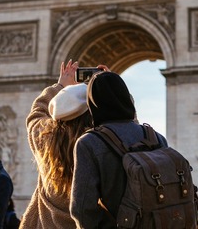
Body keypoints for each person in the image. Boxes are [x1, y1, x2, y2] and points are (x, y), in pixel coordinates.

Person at [70, 71, 168, 228]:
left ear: (92, 104)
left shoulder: (89, 143)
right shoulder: (156, 137)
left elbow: (82, 209)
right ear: (127, 98)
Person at [20, 60, 93, 229]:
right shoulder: (103, 144)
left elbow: (36, 114)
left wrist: (60, 86)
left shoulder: (46, 142)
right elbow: (126, 129)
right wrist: (114, 88)